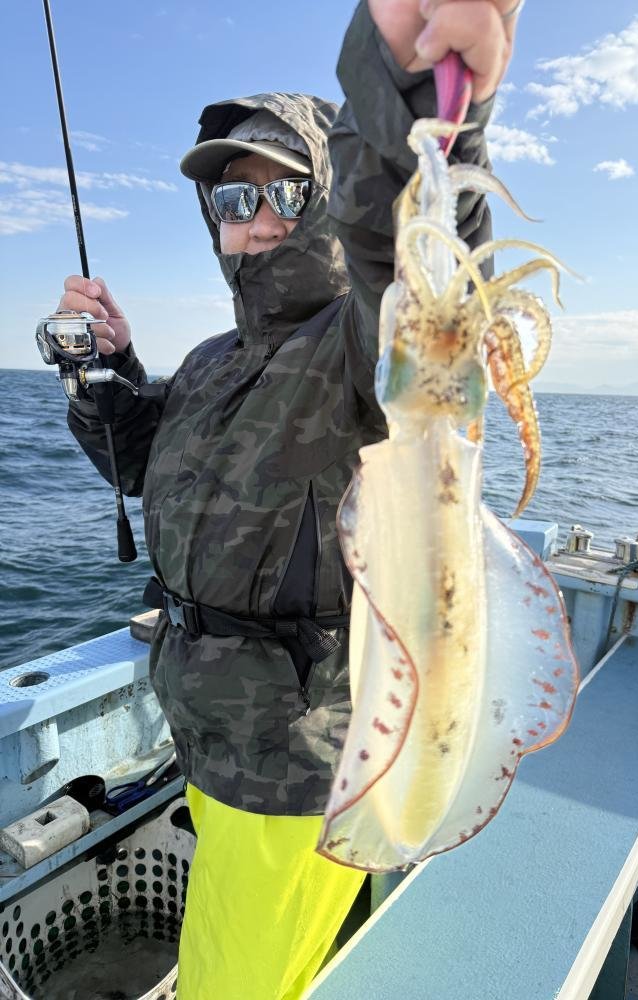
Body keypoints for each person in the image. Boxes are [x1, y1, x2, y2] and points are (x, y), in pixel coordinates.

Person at [58, 1, 522, 996]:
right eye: (234, 197)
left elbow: (417, 261)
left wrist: (408, 90)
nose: (258, 216)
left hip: (292, 767)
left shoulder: (355, 348)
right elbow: (145, 465)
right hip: (206, 732)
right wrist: (108, 372)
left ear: (325, 198)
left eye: (286, 188)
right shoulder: (213, 357)